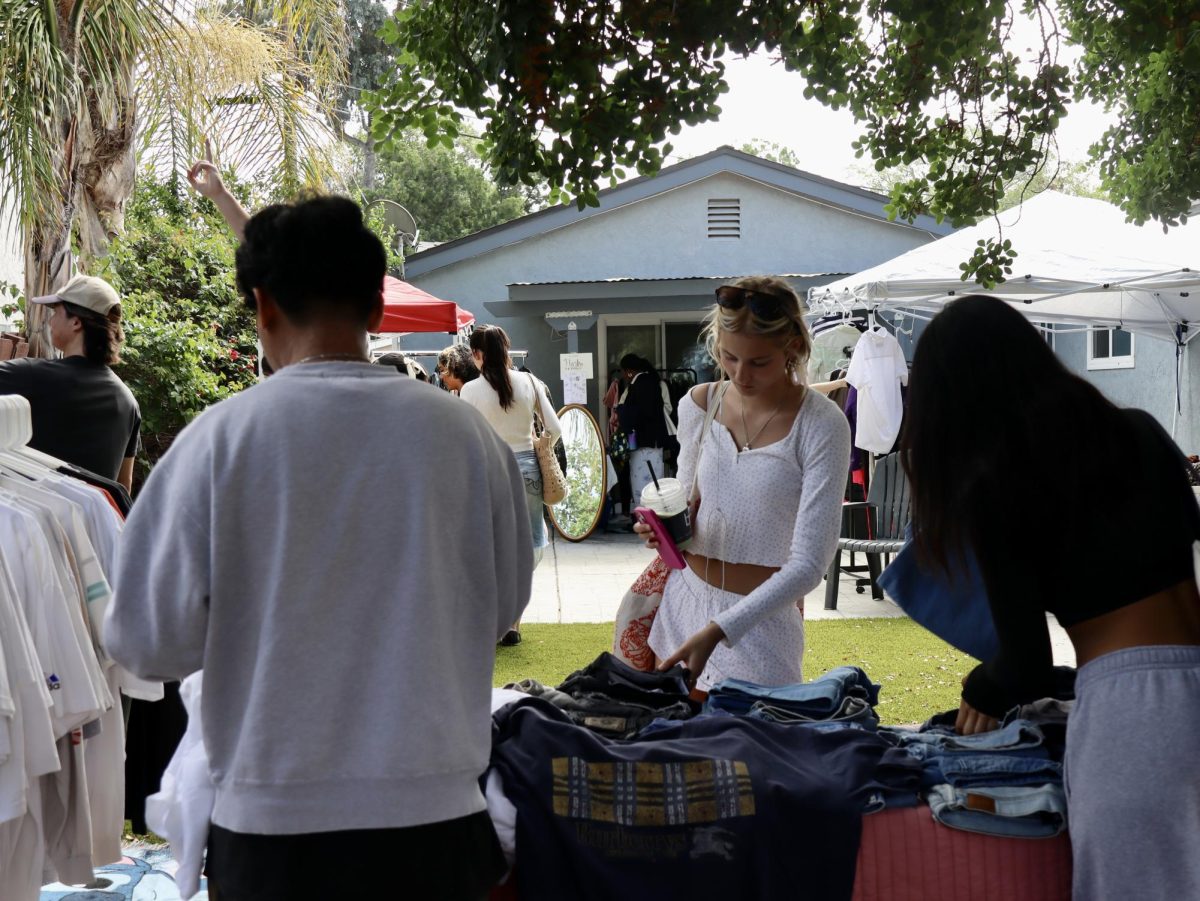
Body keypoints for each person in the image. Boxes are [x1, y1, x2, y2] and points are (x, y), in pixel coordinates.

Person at [103, 195, 532, 901]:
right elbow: (502, 602)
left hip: (274, 826)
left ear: (262, 305)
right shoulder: (463, 438)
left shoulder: (219, 440)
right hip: (437, 819)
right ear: (375, 310)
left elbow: (146, 641)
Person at [900, 294, 1200, 900]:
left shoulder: (999, 481)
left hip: (1132, 714)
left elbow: (1028, 664)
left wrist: (981, 688)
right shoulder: (1139, 430)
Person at [636, 277, 851, 692]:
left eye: (759, 362)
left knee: (755, 752)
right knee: (677, 749)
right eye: (728, 356)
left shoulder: (821, 424)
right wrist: (661, 527)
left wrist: (720, 629)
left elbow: (809, 566)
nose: (740, 374)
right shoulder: (699, 404)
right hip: (684, 606)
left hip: (761, 628)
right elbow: (685, 507)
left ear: (792, 348)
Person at [461, 325, 562, 646]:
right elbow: (555, 428)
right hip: (527, 469)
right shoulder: (530, 382)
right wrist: (537, 443)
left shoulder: (470, 390)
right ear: (506, 350)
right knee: (531, 541)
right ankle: (514, 622)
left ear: (478, 354)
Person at [0, 274, 141, 492]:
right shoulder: (127, 402)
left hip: (28, 521)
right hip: (88, 525)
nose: (50, 320)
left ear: (76, 322)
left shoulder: (30, 376)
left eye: (56, 312)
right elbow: (123, 487)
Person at [616, 354, 671, 499]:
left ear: (628, 371)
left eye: (623, 372)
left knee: (644, 488)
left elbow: (634, 413)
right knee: (654, 483)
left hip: (644, 445)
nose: (623, 376)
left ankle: (646, 518)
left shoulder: (639, 385)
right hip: (653, 442)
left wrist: (620, 409)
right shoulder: (651, 382)